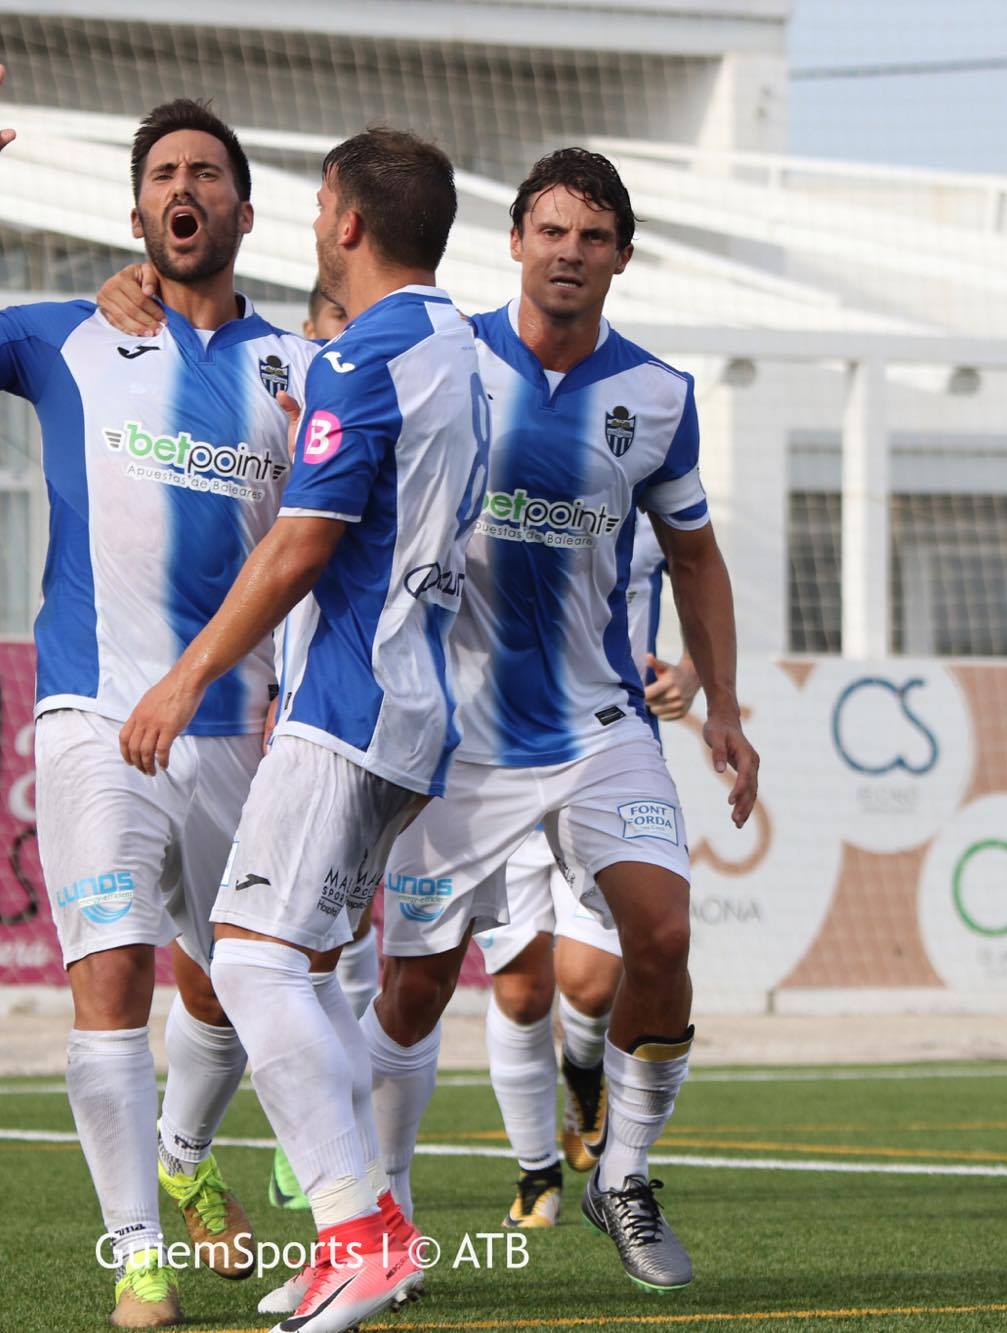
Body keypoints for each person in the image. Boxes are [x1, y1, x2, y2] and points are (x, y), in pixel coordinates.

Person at [0, 69, 317, 1328]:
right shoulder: (70, 334)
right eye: (162, 175)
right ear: (137, 216)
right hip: (94, 719)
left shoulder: (301, 368)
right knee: (110, 978)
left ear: (245, 211)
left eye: (205, 172)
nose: (183, 188)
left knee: (237, 990)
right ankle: (139, 1257)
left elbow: (331, 544)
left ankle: (184, 1157)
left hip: (242, 732)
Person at [362, 147, 758, 1295]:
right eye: (551, 231)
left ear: (621, 255)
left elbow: (695, 555)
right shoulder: (442, 356)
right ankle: (382, 1215)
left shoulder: (660, 396)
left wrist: (724, 706)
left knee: (662, 937)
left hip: (598, 724)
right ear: (515, 242)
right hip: (456, 737)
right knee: (415, 989)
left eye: (592, 236)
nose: (569, 253)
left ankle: (620, 1173)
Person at [116, 126, 484, 1333]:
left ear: (347, 222)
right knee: (311, 970)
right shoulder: (458, 348)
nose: (317, 224)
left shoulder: (364, 357)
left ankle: (358, 1234)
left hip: (346, 702)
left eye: (323, 206)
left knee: (251, 963)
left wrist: (187, 678)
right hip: (413, 704)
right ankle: (373, 1230)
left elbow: (300, 545)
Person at [96, 277, 374, 1217]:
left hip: (333, 722)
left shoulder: (389, 403)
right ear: (311, 332)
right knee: (230, 968)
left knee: (302, 963)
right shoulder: (275, 391)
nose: (351, 344)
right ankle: (331, 1196)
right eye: (338, 327)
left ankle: (314, 1181)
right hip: (209, 714)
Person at [476, 531, 701, 1229]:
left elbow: (702, 568)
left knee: (593, 983)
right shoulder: (481, 475)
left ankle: (583, 1069)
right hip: (494, 760)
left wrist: (694, 674)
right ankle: (535, 1172)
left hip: (606, 759)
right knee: (520, 990)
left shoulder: (641, 479)